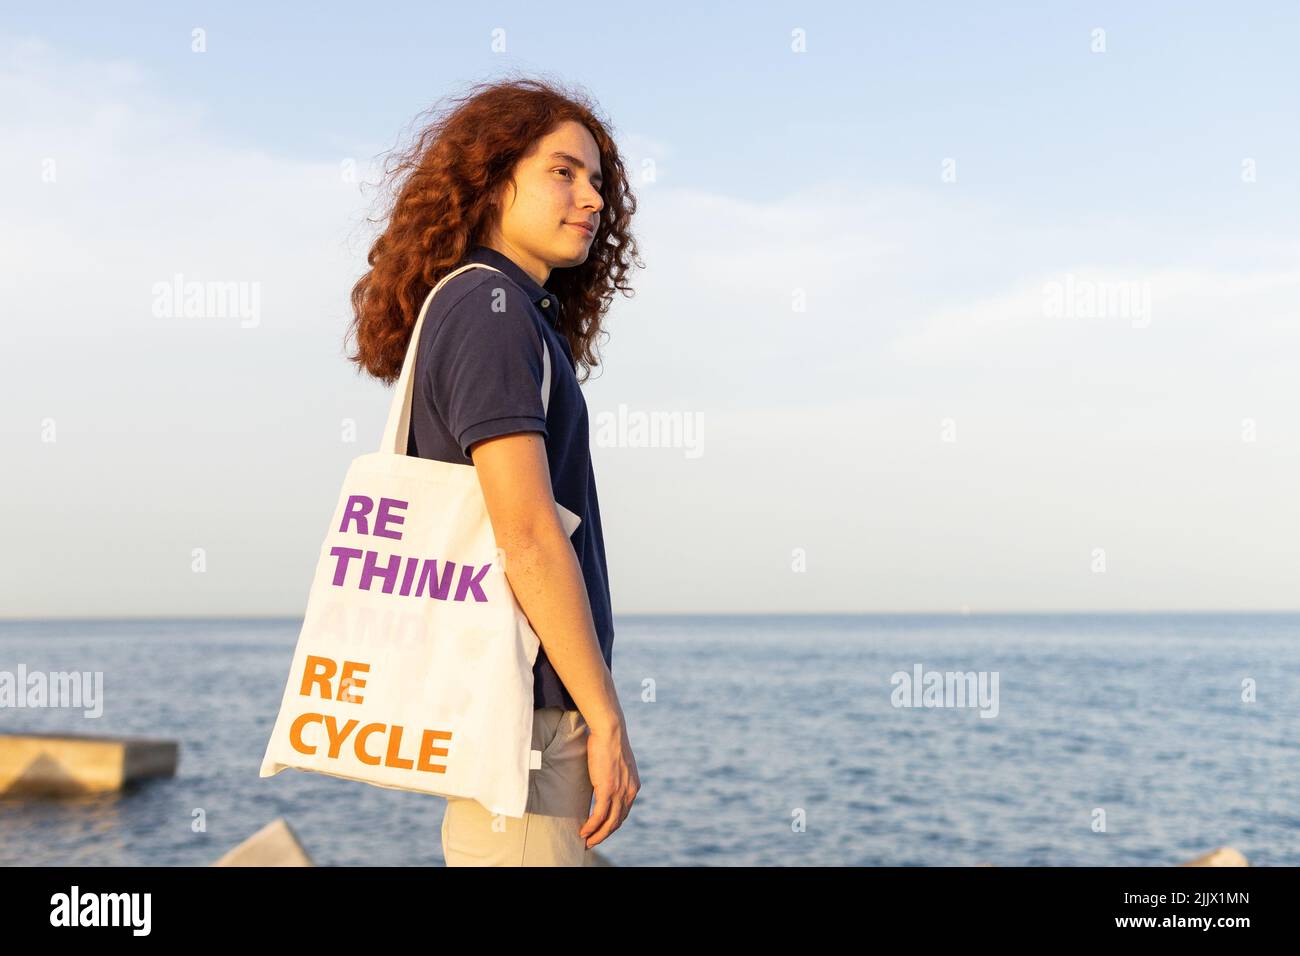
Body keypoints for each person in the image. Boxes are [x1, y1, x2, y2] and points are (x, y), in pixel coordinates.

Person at [344, 76, 642, 865]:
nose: (592, 200)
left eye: (598, 183)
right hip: (527, 727)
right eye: (563, 171)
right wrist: (603, 714)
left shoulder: (502, 312)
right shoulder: (490, 311)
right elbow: (528, 532)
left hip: (516, 718)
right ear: (491, 179)